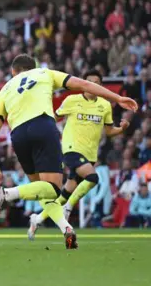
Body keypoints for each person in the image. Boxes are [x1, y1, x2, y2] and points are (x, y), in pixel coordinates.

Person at [0, 54, 137, 249]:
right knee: (54, 188)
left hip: (19, 135)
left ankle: (67, 229)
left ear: (13, 72)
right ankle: (7, 194)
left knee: (42, 192)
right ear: (34, 67)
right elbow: (85, 85)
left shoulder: (5, 89)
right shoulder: (45, 73)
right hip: (42, 125)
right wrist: (117, 97)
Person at [28, 70, 129, 239]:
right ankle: (68, 208)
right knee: (93, 178)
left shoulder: (104, 105)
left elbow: (110, 131)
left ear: (101, 86)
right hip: (71, 149)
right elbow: (53, 117)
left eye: (96, 82)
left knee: (64, 195)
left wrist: (122, 129)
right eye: (89, 82)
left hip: (89, 155)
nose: (92, 85)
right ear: (83, 84)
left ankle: (37, 219)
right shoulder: (72, 100)